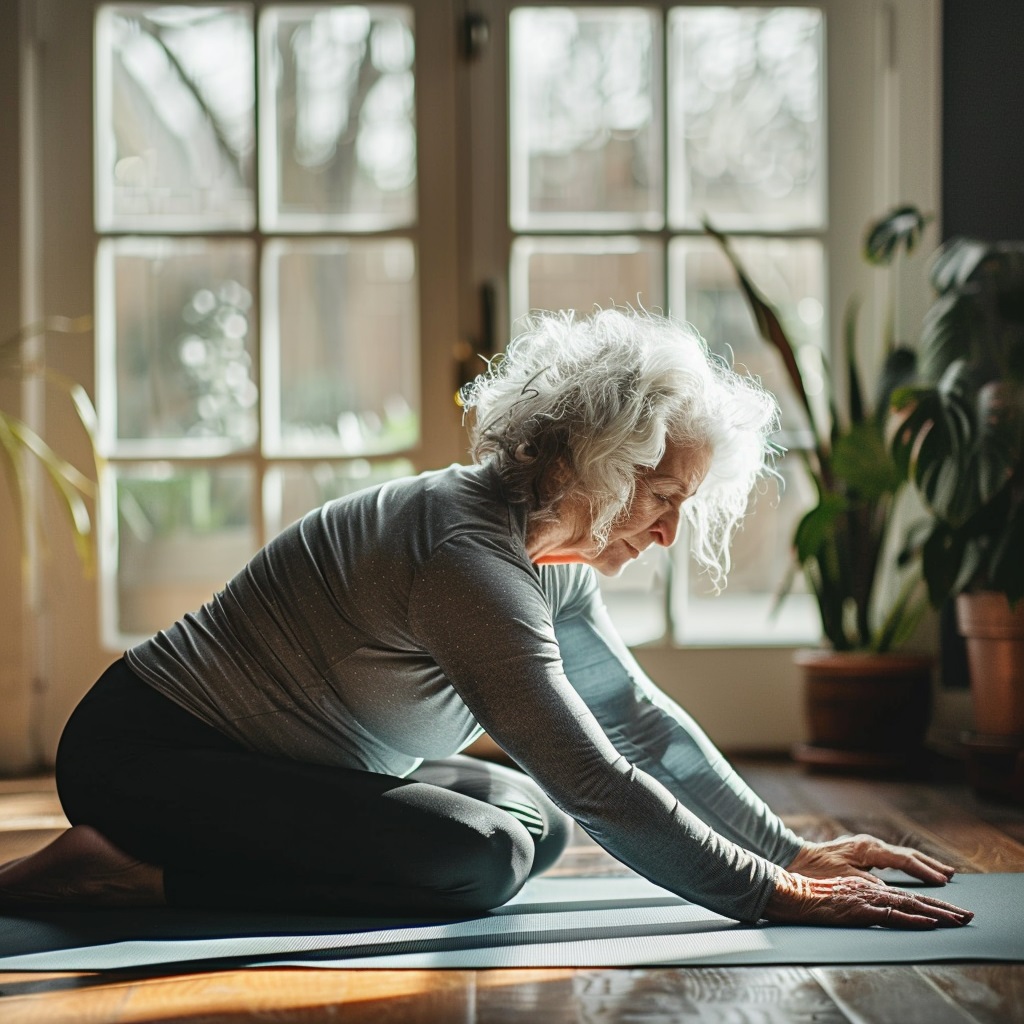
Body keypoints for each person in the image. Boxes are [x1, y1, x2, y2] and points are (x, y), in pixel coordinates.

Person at [0, 309, 972, 931]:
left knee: (534, 824)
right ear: (599, 461)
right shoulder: (466, 559)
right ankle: (130, 873)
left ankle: (149, 857)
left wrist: (790, 848)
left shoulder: (543, 553)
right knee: (481, 854)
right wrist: (769, 894)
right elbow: (594, 769)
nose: (671, 532)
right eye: (661, 496)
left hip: (289, 760)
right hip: (153, 757)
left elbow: (635, 722)